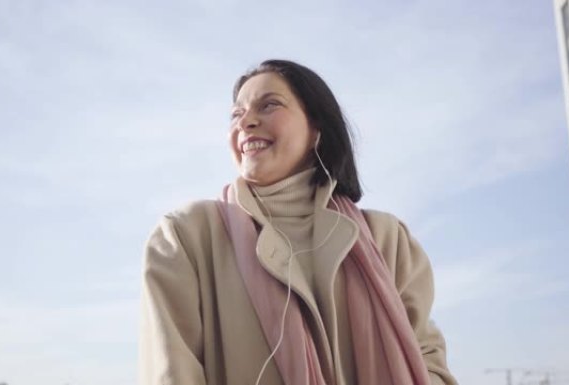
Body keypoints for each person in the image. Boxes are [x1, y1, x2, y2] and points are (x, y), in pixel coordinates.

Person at [140, 59, 458, 385]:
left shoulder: (387, 240)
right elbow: (173, 373)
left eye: (269, 105)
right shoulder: (186, 236)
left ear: (316, 128)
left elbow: (427, 362)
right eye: (236, 114)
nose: (246, 121)